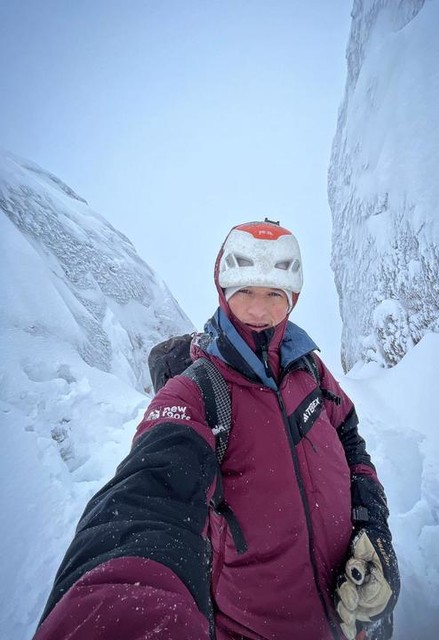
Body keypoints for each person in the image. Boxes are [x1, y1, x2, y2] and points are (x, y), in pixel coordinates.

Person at [34, 219, 400, 640]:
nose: (259, 311)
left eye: (274, 295)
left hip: (350, 615)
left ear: (293, 298)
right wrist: (119, 605)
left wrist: (372, 525)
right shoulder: (197, 392)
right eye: (245, 291)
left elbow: (351, 444)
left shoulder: (310, 370)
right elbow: (149, 497)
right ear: (223, 291)